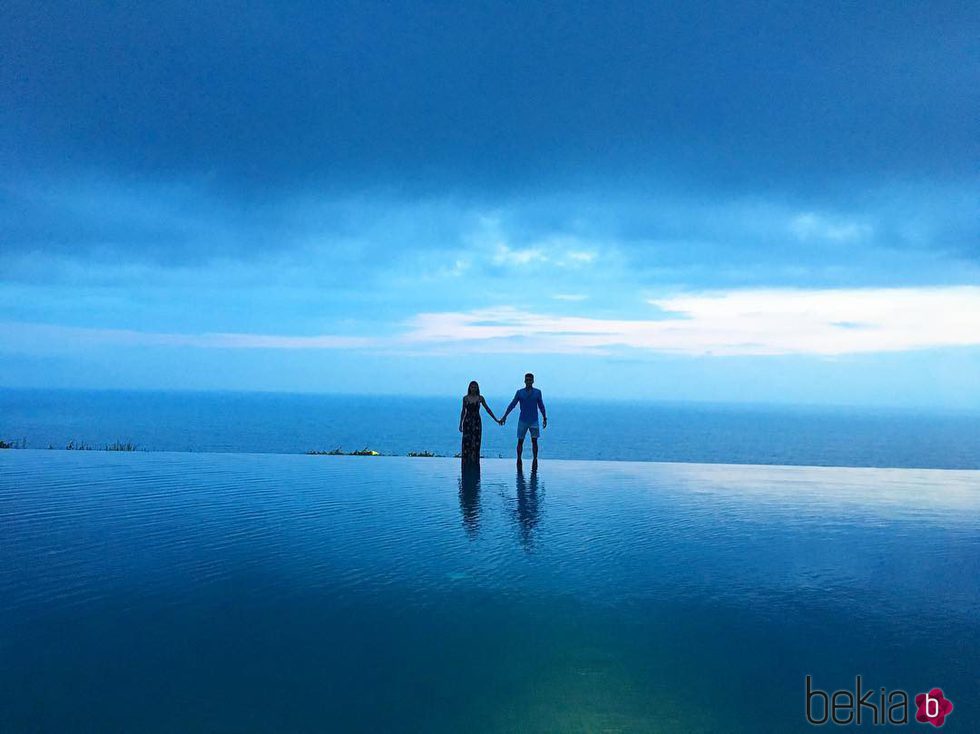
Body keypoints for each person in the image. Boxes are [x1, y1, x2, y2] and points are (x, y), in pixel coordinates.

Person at [499, 373, 547, 466]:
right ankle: (519, 459)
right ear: (524, 381)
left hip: (534, 420)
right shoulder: (520, 392)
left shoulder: (537, 392)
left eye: (530, 380)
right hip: (523, 420)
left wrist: (544, 417)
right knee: (520, 441)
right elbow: (512, 404)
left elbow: (541, 405)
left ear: (533, 381)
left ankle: (535, 459)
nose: (528, 381)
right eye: (527, 380)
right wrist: (505, 416)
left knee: (534, 441)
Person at [459, 380, 500, 465]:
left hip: (477, 422)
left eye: (475, 387)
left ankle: (475, 462)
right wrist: (460, 424)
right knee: (466, 442)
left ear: (477, 388)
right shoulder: (465, 398)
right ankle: (466, 462)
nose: (473, 388)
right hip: (467, 422)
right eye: (472, 387)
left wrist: (496, 419)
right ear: (469, 388)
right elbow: (463, 411)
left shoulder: (480, 398)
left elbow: (487, 409)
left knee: (476, 442)